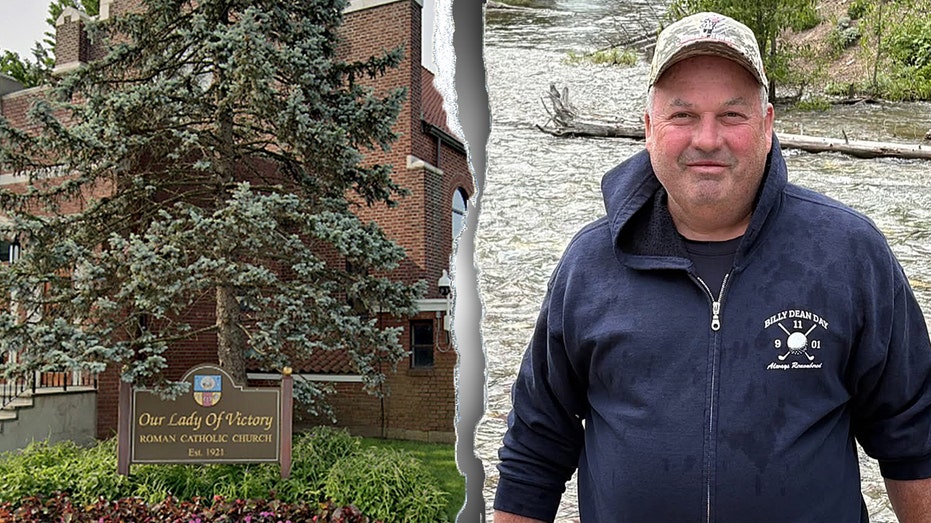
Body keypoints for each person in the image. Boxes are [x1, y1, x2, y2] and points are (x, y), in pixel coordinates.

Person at [493, 11, 931, 523]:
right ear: (649, 127)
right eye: (682, 115)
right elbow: (535, 447)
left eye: (732, 115)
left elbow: (914, 436)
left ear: (767, 126)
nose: (707, 138)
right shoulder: (589, 264)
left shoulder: (849, 253)